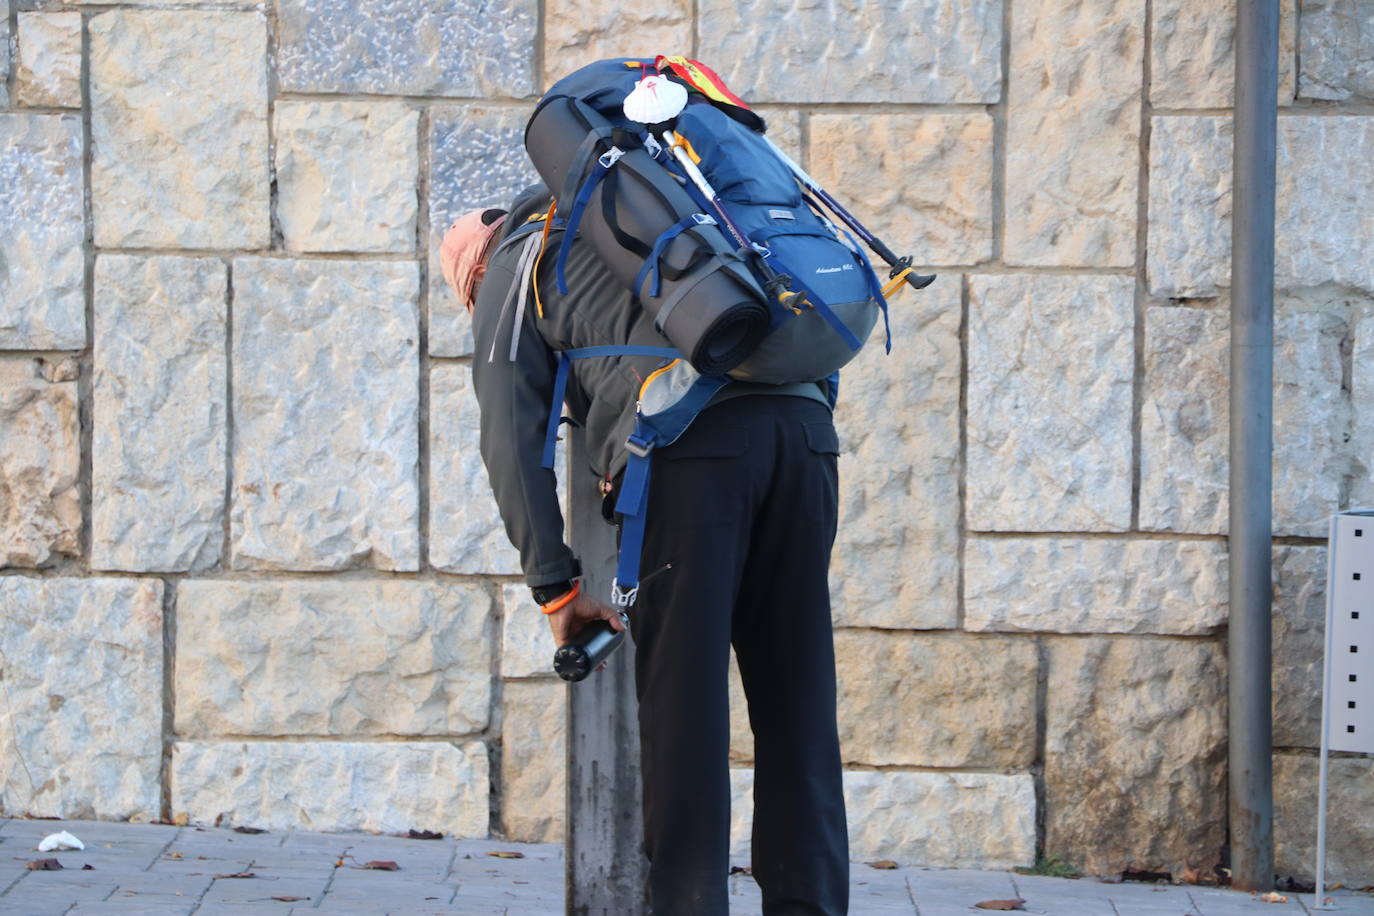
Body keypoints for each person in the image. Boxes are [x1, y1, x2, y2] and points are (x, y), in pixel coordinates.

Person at [442, 184, 849, 915]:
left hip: (690, 462)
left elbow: (510, 431)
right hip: (805, 437)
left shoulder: (515, 256)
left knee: (684, 714)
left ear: (472, 270)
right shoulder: (666, 204)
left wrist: (557, 588)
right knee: (799, 705)